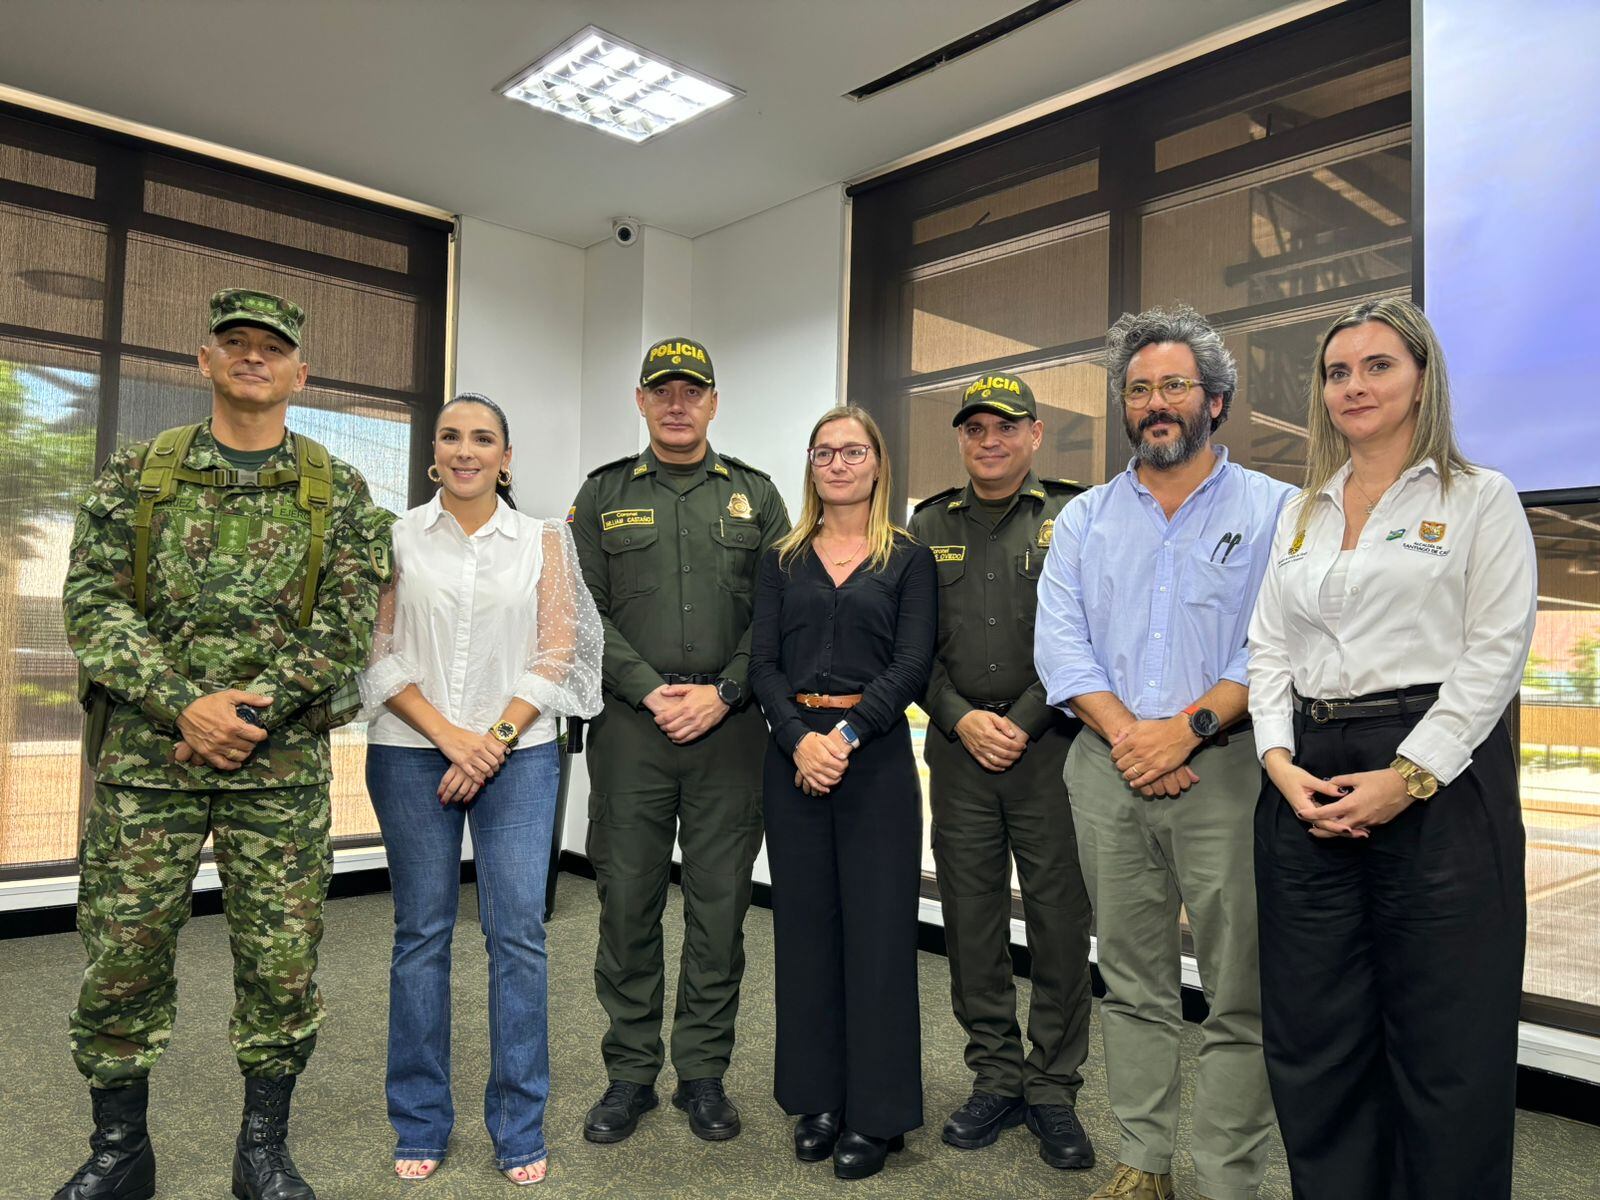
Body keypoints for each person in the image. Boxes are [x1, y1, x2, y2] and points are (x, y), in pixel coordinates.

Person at [58, 289, 394, 1200]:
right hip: (146, 766)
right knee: (121, 958)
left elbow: (349, 620)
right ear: (202, 362)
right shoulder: (140, 474)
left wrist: (247, 715)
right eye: (234, 344)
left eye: (271, 348)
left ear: (301, 373)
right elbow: (92, 603)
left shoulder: (337, 487)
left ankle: (263, 1151)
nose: (253, 358)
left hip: (276, 773)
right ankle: (119, 1152)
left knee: (282, 969)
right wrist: (184, 705)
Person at [1247, 298, 1536, 1200]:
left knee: (1448, 1040)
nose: (1355, 385)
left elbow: (1496, 654)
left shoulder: (1479, 497)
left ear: (1422, 379)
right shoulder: (1302, 512)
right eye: (1339, 371)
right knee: (1315, 1035)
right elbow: (1266, 650)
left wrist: (1408, 777)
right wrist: (1278, 762)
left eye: (1378, 366)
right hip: (1307, 777)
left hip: (1438, 777)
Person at [1035, 304, 1293, 1200]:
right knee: (1131, 980)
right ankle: (1143, 1159)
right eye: (1139, 389)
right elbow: (1061, 648)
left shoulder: (1276, 511)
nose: (1156, 402)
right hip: (1105, 770)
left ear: (1214, 401)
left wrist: (1184, 732)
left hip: (1225, 771)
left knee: (1240, 989)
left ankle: (1227, 1175)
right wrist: (1130, 739)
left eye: (1174, 385)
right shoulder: (1085, 519)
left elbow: (1275, 644)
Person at [358, 393, 603, 1185]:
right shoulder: (395, 537)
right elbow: (376, 646)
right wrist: (449, 737)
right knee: (421, 936)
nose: (466, 450)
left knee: (517, 940)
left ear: (506, 455)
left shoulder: (544, 540)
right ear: (434, 452)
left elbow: (558, 649)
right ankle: (421, 1118)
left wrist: (489, 742)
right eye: (451, 437)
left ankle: (518, 1127)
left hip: (520, 756)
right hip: (410, 751)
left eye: (483, 439)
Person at [569, 337, 790, 1144]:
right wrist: (651, 692)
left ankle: (702, 1073)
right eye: (662, 390)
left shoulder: (757, 498)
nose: (676, 403)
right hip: (633, 730)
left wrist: (726, 690)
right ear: (641, 401)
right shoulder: (601, 496)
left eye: (691, 390)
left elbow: (780, 611)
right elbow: (582, 613)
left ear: (713, 402)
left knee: (720, 908)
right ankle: (630, 1073)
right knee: (626, 903)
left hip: (731, 732)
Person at [906, 372, 1095, 1169]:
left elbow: (1089, 633)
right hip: (957, 753)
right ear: (961, 438)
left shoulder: (1074, 515)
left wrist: (1017, 721)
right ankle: (993, 1074)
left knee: (1059, 920)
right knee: (972, 919)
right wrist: (958, 717)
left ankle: (1052, 1086)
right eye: (975, 428)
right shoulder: (925, 523)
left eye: (1006, 427)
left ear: (1035, 435)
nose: (990, 441)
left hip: (1050, 747)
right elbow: (908, 646)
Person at [749, 404, 937, 1182]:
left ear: (876, 462)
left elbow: (912, 663)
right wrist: (800, 739)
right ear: (811, 465)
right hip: (793, 763)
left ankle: (878, 1112)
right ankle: (817, 1098)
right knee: (805, 933)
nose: (837, 463)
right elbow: (762, 663)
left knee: (881, 936)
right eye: (823, 452)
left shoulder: (909, 559)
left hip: (877, 764)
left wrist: (846, 738)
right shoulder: (781, 558)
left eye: (851, 451)